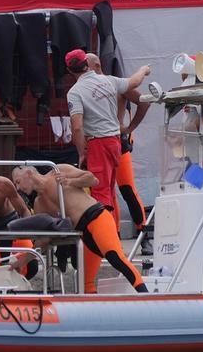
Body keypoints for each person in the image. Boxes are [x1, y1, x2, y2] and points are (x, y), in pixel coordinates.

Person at [12, 164, 147, 294]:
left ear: (29, 174)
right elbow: (45, 239)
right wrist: (23, 261)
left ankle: (146, 296)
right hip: (82, 234)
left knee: (116, 259)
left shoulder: (57, 171)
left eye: (18, 182)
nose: (18, 188)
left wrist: (70, 181)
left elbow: (93, 180)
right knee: (85, 282)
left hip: (97, 218)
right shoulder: (39, 203)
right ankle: (92, 314)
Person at [64, 49, 150, 225]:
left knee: (116, 191)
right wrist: (143, 70)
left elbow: (77, 126)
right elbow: (136, 84)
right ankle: (114, 234)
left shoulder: (80, 90)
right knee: (110, 192)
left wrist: (129, 128)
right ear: (87, 65)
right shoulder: (112, 82)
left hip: (103, 143)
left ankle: (134, 234)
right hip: (115, 142)